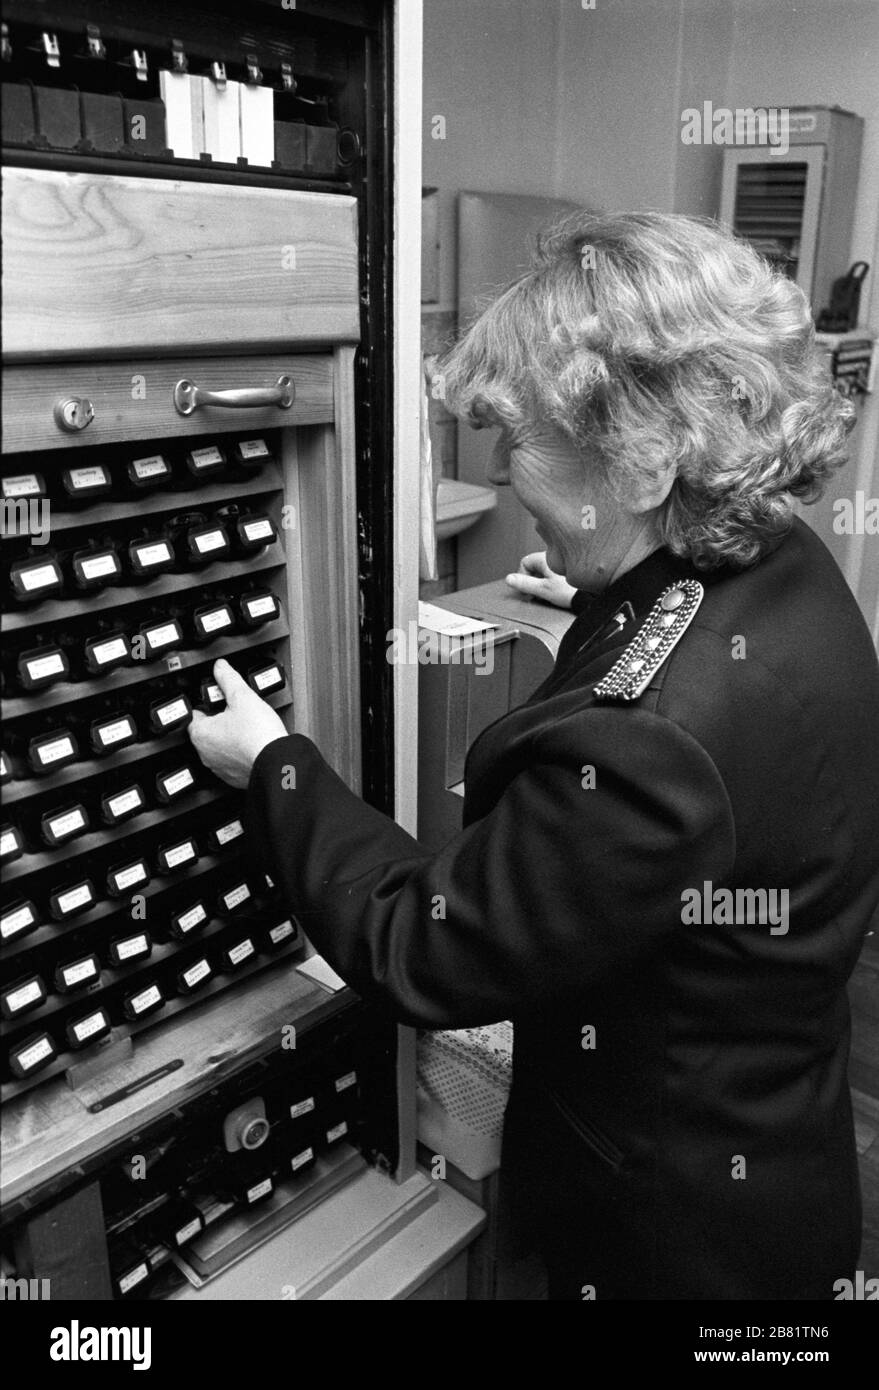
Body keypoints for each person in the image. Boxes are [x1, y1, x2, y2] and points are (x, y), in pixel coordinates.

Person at [189, 211, 879, 1300]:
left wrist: (277, 765)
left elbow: (426, 942)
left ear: (646, 462)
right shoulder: (789, 561)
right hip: (781, 1159)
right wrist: (612, 594)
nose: (505, 475)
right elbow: (696, 644)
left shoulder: (648, 741)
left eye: (520, 440)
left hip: (665, 1245)